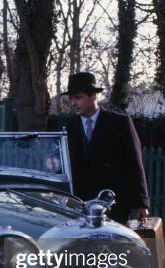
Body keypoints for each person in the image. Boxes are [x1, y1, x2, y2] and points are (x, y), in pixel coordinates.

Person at [62, 72, 149, 223]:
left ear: (93, 96)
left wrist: (141, 203)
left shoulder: (120, 123)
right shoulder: (68, 127)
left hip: (114, 203)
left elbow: (134, 163)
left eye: (78, 97)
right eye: (71, 98)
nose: (73, 103)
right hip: (80, 205)